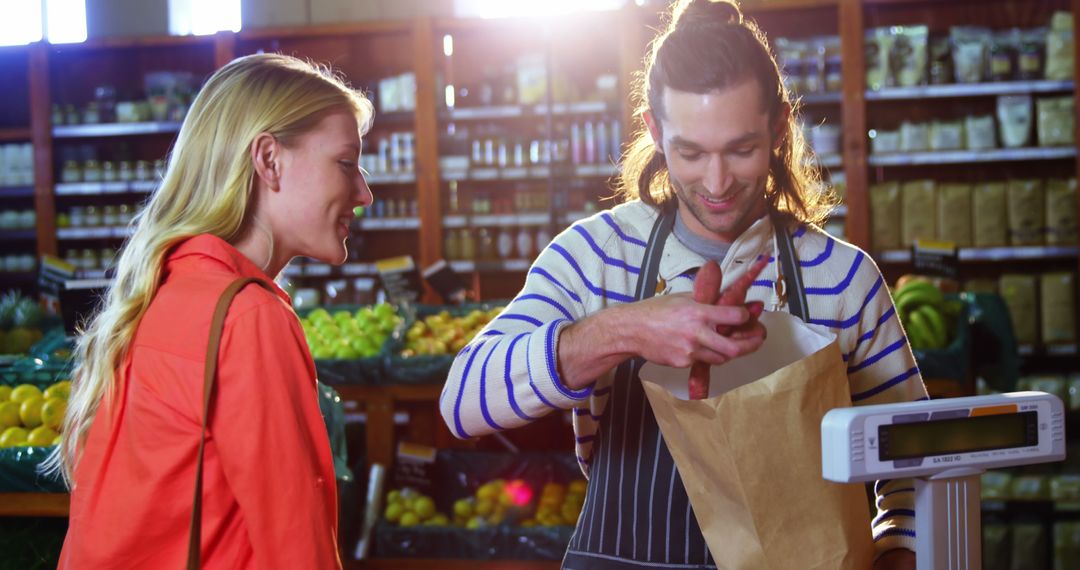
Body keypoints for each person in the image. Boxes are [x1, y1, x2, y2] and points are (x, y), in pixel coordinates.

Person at [440, 1, 925, 569]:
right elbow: (462, 403)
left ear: (778, 128)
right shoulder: (596, 256)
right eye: (690, 152)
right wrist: (624, 330)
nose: (716, 183)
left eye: (741, 150)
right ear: (653, 129)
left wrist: (897, 550)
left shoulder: (841, 279)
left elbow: (911, 457)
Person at [46, 53, 374, 569]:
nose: (364, 193)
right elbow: (297, 547)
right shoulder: (247, 317)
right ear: (269, 160)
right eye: (346, 163)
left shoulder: (165, 286)